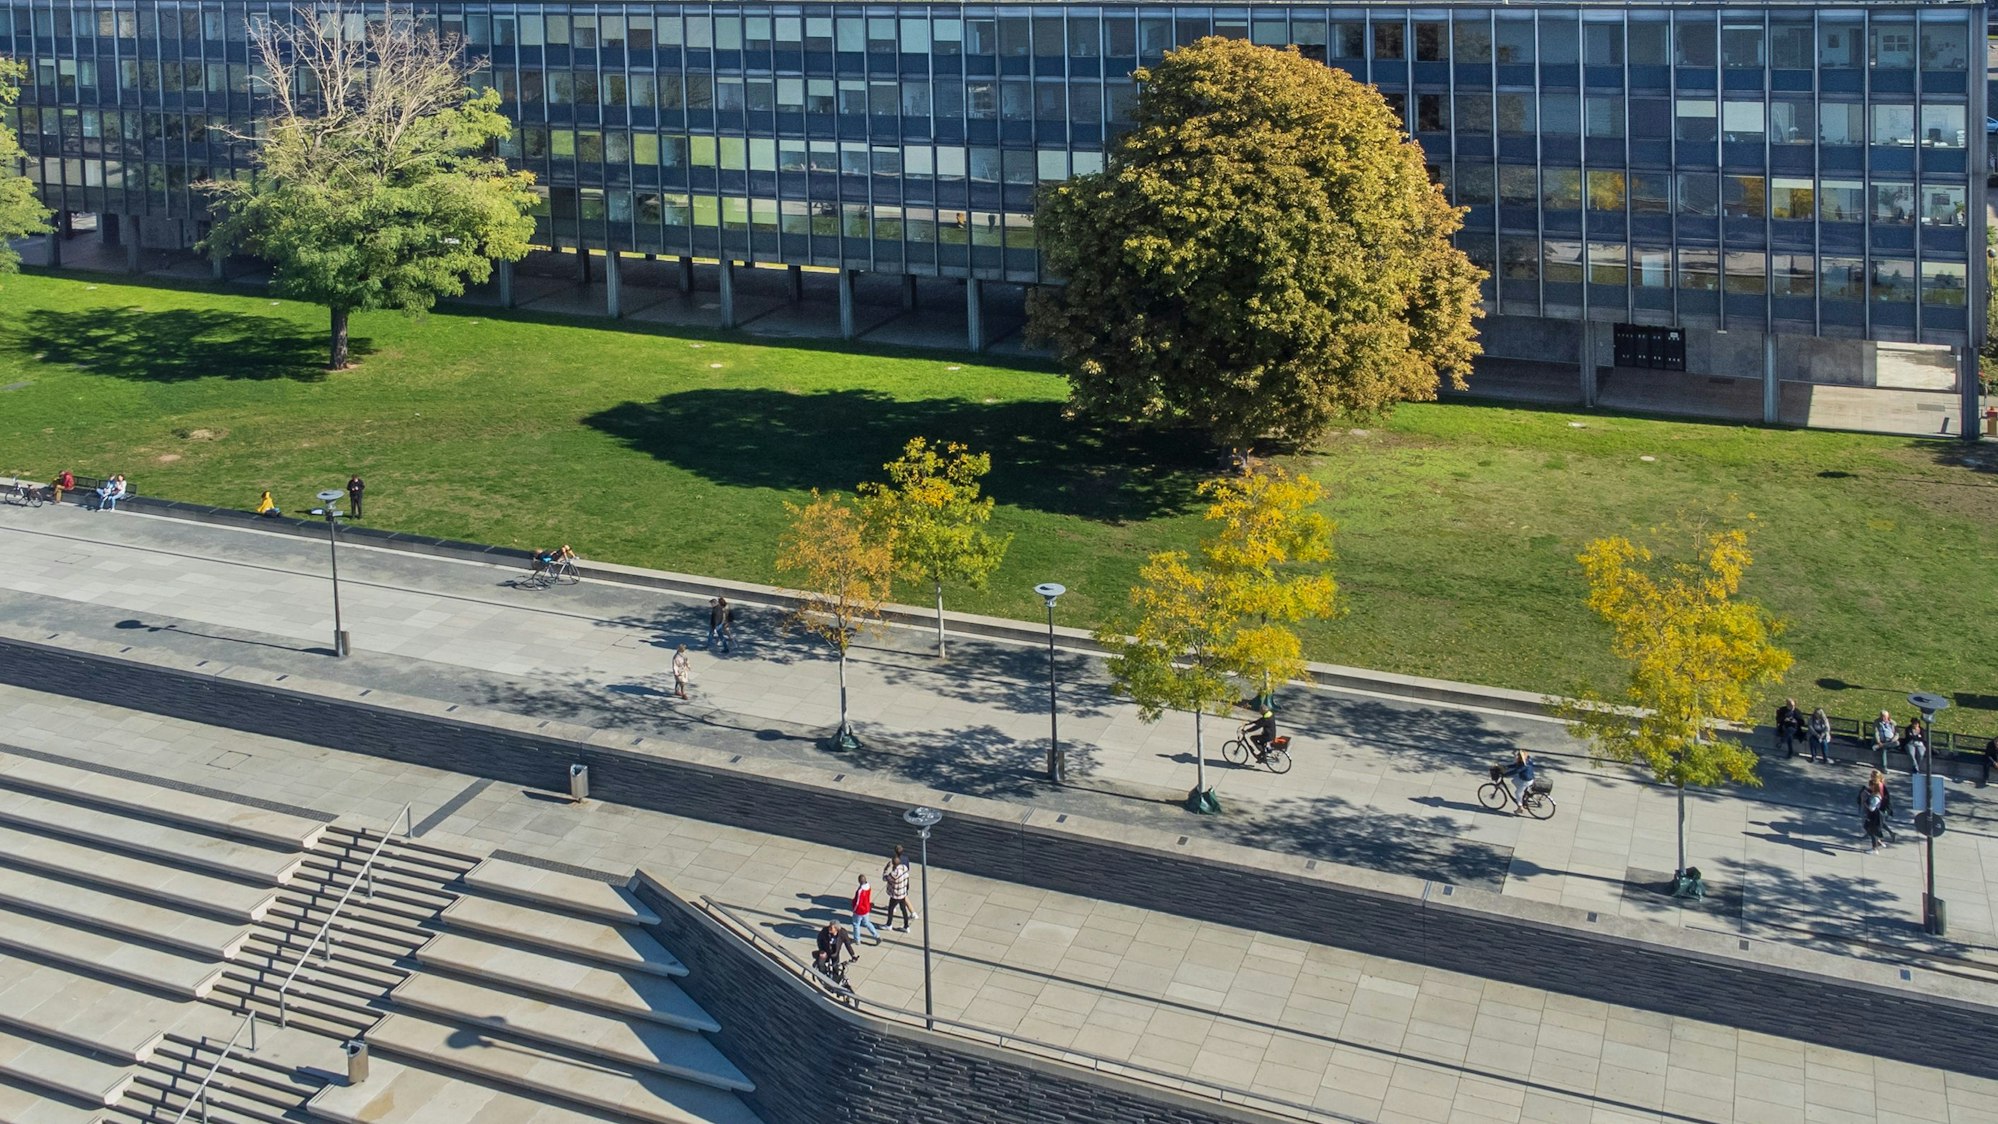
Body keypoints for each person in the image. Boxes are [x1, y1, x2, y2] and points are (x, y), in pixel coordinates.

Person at [882, 846, 914, 931]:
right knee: (903, 909)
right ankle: (906, 926)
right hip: (903, 892)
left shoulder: (894, 874)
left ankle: (889, 925)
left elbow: (884, 878)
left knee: (891, 909)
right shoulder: (904, 868)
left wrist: (886, 868)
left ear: (893, 864)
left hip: (896, 894)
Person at [1502, 749, 1536, 813]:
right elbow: (1516, 765)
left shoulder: (1524, 765)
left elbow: (1516, 771)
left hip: (1526, 781)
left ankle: (1520, 807)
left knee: (1517, 793)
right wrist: (1507, 766)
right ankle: (1524, 793)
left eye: (1518, 755)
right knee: (1514, 780)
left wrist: (1505, 774)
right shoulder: (1527, 760)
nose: (1516, 756)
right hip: (1530, 778)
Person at [850, 874, 881, 945]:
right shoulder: (868, 886)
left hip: (859, 910)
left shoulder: (860, 890)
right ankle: (877, 936)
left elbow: (858, 902)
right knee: (867, 923)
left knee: (856, 924)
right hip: (866, 908)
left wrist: (854, 909)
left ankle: (857, 940)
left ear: (859, 881)